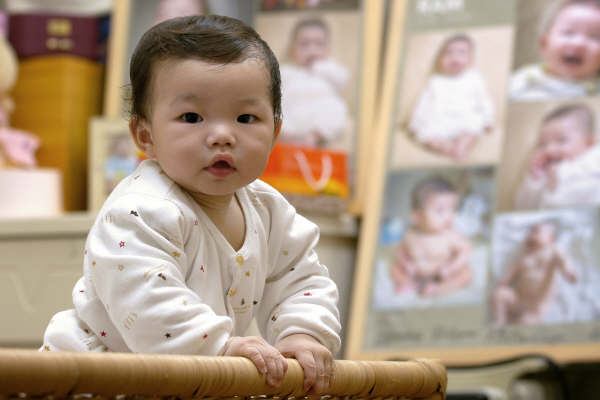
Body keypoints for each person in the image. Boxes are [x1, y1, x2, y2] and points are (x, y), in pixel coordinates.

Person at [40, 15, 341, 395]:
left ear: (275, 132)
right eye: (192, 117)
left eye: (246, 118)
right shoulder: (139, 212)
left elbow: (302, 279)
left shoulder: (269, 210)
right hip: (96, 376)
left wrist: (302, 333)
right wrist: (219, 346)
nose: (222, 135)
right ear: (145, 136)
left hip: (188, 379)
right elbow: (148, 298)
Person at [408, 33, 494, 162]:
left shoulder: (474, 78)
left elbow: (485, 101)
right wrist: (415, 124)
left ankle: (461, 146)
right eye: (448, 53)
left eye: (462, 53)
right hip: (440, 120)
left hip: (465, 118)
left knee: (475, 122)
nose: (454, 57)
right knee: (425, 134)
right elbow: (423, 104)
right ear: (440, 60)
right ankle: (446, 148)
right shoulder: (435, 81)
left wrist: (489, 119)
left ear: (471, 59)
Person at [390, 177, 473, 297]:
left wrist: (452, 267)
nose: (449, 216)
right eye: (440, 211)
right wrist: (406, 263)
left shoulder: (450, 235)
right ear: (417, 216)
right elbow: (401, 251)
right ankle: (408, 284)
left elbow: (466, 250)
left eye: (453, 209)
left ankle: (440, 289)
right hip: (417, 273)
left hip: (443, 273)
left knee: (467, 273)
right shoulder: (410, 234)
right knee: (394, 269)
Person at [278, 18, 349, 148]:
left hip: (319, 112)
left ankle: (314, 137)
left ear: (327, 49)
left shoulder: (329, 68)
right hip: (294, 111)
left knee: (337, 109)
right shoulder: (287, 71)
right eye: (304, 44)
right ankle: (289, 138)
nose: (312, 50)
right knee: (277, 113)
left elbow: (343, 80)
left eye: (319, 44)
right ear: (293, 50)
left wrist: (320, 67)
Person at [509, 0, 600, 101]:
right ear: (544, 44)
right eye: (569, 32)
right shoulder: (524, 80)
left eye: (595, 37)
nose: (579, 43)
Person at [514, 103, 600, 209]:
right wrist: (534, 181)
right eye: (542, 144)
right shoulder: (543, 170)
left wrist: (559, 175)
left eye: (560, 140)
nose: (549, 149)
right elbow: (521, 207)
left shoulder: (593, 162)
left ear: (589, 143)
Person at [492, 221, 577, 326]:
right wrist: (504, 281)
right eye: (529, 232)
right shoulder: (526, 256)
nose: (530, 235)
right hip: (518, 299)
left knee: (525, 323)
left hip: (535, 307)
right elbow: (513, 270)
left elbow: (564, 262)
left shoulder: (553, 252)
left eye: (536, 232)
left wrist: (568, 272)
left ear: (552, 239)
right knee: (499, 294)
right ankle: (499, 322)